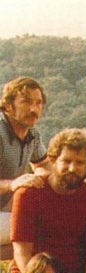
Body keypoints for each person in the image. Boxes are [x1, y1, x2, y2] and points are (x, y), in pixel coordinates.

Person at [10, 128, 86, 273]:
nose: (72, 168)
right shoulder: (29, 193)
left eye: (79, 163)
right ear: (53, 161)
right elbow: (21, 250)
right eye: (66, 161)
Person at [0, 77, 51, 246]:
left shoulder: (32, 134)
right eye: (26, 102)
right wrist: (13, 184)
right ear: (8, 106)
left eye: (38, 103)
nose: (33, 109)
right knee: (36, 229)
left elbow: (43, 163)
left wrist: (42, 176)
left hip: (5, 209)